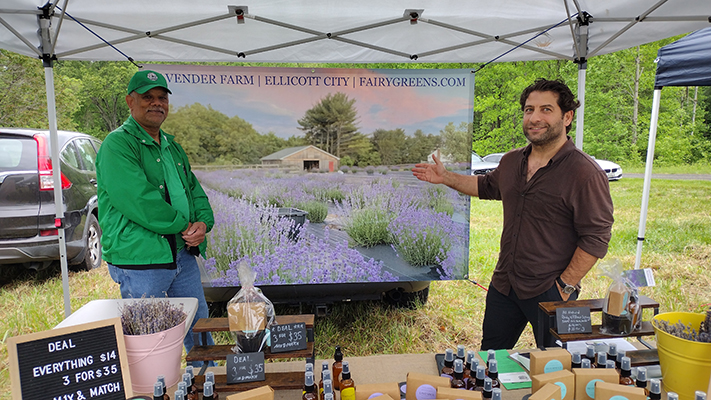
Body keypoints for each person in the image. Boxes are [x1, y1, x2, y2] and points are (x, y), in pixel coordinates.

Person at [413, 78, 614, 350]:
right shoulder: (511, 161)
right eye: (529, 110)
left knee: (561, 364)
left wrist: (565, 287)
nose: (534, 118)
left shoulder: (584, 173)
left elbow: (596, 237)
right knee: (490, 358)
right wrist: (447, 177)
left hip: (552, 290)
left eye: (546, 109)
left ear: (567, 117)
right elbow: (486, 186)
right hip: (505, 285)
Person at [96, 69, 215, 365]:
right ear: (130, 101)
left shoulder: (171, 146)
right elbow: (139, 200)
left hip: (181, 254)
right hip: (142, 261)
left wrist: (202, 223)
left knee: (198, 328)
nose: (156, 103)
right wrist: (184, 225)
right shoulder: (118, 144)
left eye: (162, 98)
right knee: (151, 340)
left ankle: (206, 382)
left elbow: (193, 190)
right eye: (147, 97)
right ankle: (155, 391)